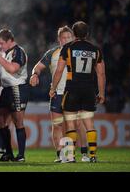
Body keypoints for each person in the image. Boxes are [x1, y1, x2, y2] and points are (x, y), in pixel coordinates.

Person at [30, 26, 90, 162]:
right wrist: (34, 75)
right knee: (57, 125)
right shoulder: (52, 53)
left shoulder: (79, 52)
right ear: (59, 39)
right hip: (57, 94)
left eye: (69, 37)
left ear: (74, 38)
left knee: (77, 124)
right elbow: (38, 67)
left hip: (74, 94)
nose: (67, 40)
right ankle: (61, 155)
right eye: (64, 37)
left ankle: (84, 152)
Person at [51, 21, 106, 163]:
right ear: (87, 34)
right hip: (89, 90)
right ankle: (93, 155)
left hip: (72, 89)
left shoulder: (68, 48)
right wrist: (101, 93)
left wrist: (53, 88)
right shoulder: (95, 50)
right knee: (89, 123)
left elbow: (58, 70)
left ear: (74, 34)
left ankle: (70, 156)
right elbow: (101, 74)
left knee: (70, 123)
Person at [0, 29, 29, 162]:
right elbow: (3, 76)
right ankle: (8, 153)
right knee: (0, 121)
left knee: (18, 121)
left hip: (17, 88)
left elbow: (13, 69)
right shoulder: (6, 53)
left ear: (10, 41)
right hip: (6, 89)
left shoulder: (18, 51)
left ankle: (21, 155)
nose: (0, 46)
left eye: (2, 43)